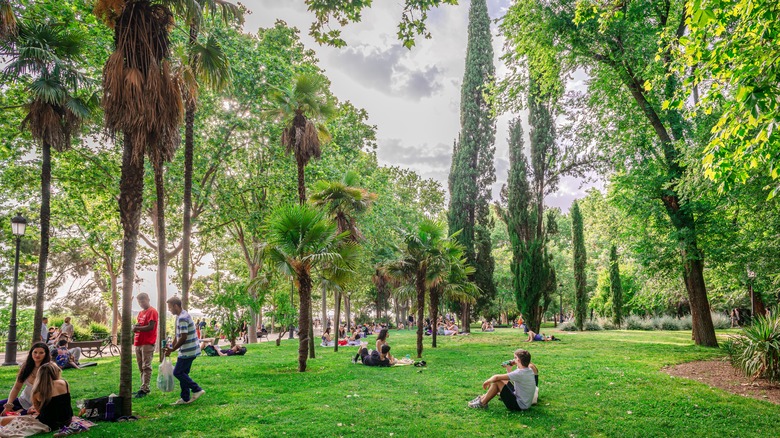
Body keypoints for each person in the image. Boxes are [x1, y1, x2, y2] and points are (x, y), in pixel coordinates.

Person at [0, 362, 74, 437]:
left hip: (50, 423)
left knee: (4, 421)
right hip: (67, 420)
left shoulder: (37, 391)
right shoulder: (64, 383)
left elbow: (38, 410)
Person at [164, 296, 205, 405]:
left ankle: (197, 389)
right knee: (183, 373)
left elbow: (183, 337)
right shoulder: (181, 316)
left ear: (175, 306)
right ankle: (185, 398)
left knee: (177, 372)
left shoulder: (182, 318)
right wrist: (171, 347)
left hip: (188, 351)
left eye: (170, 307)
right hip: (189, 350)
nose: (169, 310)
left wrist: (173, 349)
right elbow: (177, 336)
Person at [468, 349, 538, 410]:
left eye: (515, 358)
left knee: (497, 382)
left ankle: (482, 403)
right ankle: (482, 398)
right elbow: (513, 378)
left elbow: (497, 377)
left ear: (519, 360)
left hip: (519, 405)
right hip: (524, 403)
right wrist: (509, 368)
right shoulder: (528, 370)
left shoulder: (520, 372)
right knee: (503, 380)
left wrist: (487, 382)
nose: (513, 360)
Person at [1, 343, 50, 416]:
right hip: (23, 400)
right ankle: (19, 411)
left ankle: (20, 412)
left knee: (17, 416)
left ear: (46, 354)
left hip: (39, 405)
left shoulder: (49, 369)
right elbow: (16, 388)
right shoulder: (26, 367)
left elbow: (49, 392)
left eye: (41, 353)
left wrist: (33, 407)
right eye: (35, 352)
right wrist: (9, 405)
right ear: (31, 353)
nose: (37, 355)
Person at [132, 292, 158, 398]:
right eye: (139, 302)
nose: (141, 304)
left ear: (148, 299)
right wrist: (136, 327)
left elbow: (151, 327)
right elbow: (140, 325)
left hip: (147, 342)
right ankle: (142, 387)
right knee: (140, 367)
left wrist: (137, 328)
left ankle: (145, 388)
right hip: (138, 342)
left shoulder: (152, 311)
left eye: (143, 301)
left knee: (146, 366)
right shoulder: (140, 313)